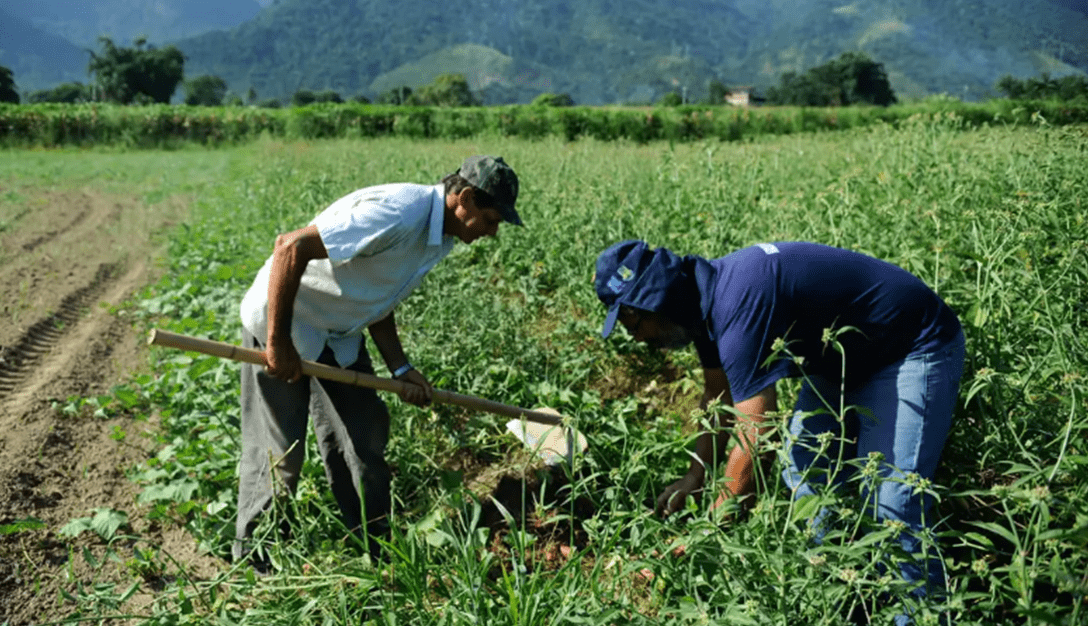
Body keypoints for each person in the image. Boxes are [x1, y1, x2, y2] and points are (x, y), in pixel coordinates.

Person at [594, 240, 965, 618]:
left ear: (656, 299)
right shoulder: (699, 304)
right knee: (805, 472)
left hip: (911, 346)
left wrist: (709, 533)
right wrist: (696, 475)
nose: (635, 337)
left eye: (631, 322)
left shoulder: (737, 302)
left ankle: (922, 614)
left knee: (892, 504)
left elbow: (758, 434)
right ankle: (844, 595)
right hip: (839, 362)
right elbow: (716, 393)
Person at [235, 155, 523, 567]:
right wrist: (278, 343)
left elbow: (378, 296)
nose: (493, 232)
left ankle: (374, 548)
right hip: (284, 322)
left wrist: (401, 368)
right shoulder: (400, 213)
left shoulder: (437, 236)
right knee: (280, 454)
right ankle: (256, 560)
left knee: (364, 437)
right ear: (465, 199)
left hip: (339, 333)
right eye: (492, 219)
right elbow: (290, 246)